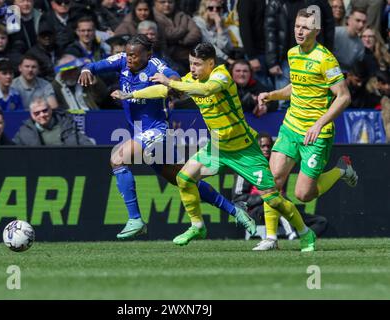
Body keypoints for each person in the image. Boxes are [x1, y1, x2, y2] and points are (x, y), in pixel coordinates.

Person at [113, 42, 317, 252]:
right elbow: (164, 90)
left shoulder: (221, 76)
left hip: (244, 149)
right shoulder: (192, 79)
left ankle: (305, 233)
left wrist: (171, 83)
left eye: (198, 64)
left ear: (211, 63)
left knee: (273, 200)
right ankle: (197, 226)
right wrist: (131, 95)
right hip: (217, 148)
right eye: (191, 63)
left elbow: (206, 90)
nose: (193, 68)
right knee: (183, 179)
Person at [79, 35, 250, 240]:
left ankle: (135, 219)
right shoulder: (122, 60)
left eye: (134, 55)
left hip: (157, 130)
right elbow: (94, 65)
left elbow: (175, 78)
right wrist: (86, 69)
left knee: (117, 158)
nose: (130, 58)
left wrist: (171, 86)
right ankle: (235, 211)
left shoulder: (155, 65)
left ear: (148, 55)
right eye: (128, 54)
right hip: (142, 131)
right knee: (182, 179)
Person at [257, 8, 358, 250]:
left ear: (316, 31)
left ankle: (342, 169)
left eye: (305, 27)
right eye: (297, 26)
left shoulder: (325, 59)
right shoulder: (293, 54)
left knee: (303, 194)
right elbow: (296, 87)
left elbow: (344, 97)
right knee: (271, 181)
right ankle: (271, 238)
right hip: (291, 126)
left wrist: (319, 123)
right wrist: (272, 94)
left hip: (316, 133)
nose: (300, 31)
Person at [232, 132, 329, 240]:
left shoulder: (277, 165)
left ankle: (301, 238)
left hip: (282, 205)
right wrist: (267, 196)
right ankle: (291, 236)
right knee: (277, 205)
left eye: (269, 146)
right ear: (256, 147)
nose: (266, 149)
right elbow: (238, 199)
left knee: (321, 222)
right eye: (263, 146)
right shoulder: (246, 167)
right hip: (257, 210)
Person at [13, 97, 95, 146]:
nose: (42, 115)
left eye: (45, 111)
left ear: (50, 110)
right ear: (31, 115)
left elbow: (85, 143)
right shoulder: (24, 131)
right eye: (37, 113)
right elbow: (11, 150)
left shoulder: (67, 124)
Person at [333, 6, 367, 73]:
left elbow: (356, 68)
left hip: (347, 76)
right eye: (358, 20)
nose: (361, 25)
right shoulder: (335, 33)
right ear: (348, 20)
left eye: (364, 22)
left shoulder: (360, 45)